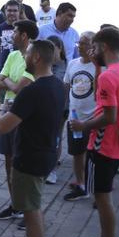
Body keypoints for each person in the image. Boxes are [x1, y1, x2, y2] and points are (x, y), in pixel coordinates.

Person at [69, 26, 119, 237]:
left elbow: (109, 116)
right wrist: (98, 66)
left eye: (96, 48)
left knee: (102, 199)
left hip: (104, 144)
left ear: (105, 47)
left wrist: (83, 125)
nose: (92, 51)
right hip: (118, 144)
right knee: (103, 196)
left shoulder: (110, 76)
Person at [0, 39, 64, 237]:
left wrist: (1, 110)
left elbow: (4, 127)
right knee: (34, 208)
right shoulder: (57, 85)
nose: (24, 55)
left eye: (27, 52)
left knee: (31, 211)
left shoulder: (31, 91)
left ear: (36, 58)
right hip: (46, 154)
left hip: (29, 158)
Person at [0, 20, 38, 221]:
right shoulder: (12, 55)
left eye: (15, 32)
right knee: (9, 160)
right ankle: (15, 205)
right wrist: (13, 85)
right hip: (8, 112)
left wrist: (10, 84)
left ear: (24, 35)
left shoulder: (34, 57)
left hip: (24, 116)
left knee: (23, 162)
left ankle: (27, 208)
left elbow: (20, 88)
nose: (11, 35)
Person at [63, 31, 97, 201]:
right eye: (79, 43)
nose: (81, 46)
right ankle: (80, 183)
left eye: (85, 43)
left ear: (94, 46)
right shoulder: (73, 64)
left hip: (93, 119)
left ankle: (94, 186)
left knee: (93, 155)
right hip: (74, 117)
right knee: (76, 153)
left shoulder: (100, 67)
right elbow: (67, 86)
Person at [44, 36, 69, 185]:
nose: (51, 52)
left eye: (53, 48)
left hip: (59, 108)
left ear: (60, 48)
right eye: (48, 48)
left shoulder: (65, 66)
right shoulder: (42, 64)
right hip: (43, 107)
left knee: (56, 138)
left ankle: (52, 170)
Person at [0, 0, 21, 73]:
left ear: (19, 12)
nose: (12, 13)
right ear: (5, 11)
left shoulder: (24, 28)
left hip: (20, 67)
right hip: (3, 66)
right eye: (9, 10)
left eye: (15, 11)